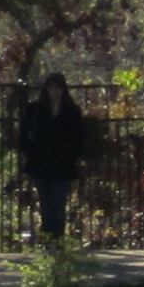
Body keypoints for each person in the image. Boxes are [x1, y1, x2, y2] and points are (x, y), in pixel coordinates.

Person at [15, 70, 90, 244]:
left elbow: (78, 137)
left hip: (63, 165)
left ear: (64, 89)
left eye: (58, 87)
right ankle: (48, 241)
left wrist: (72, 157)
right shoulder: (35, 109)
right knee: (46, 206)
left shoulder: (71, 110)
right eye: (51, 87)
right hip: (41, 164)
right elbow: (23, 135)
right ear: (46, 89)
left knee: (59, 205)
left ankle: (58, 242)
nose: (55, 91)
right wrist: (30, 153)